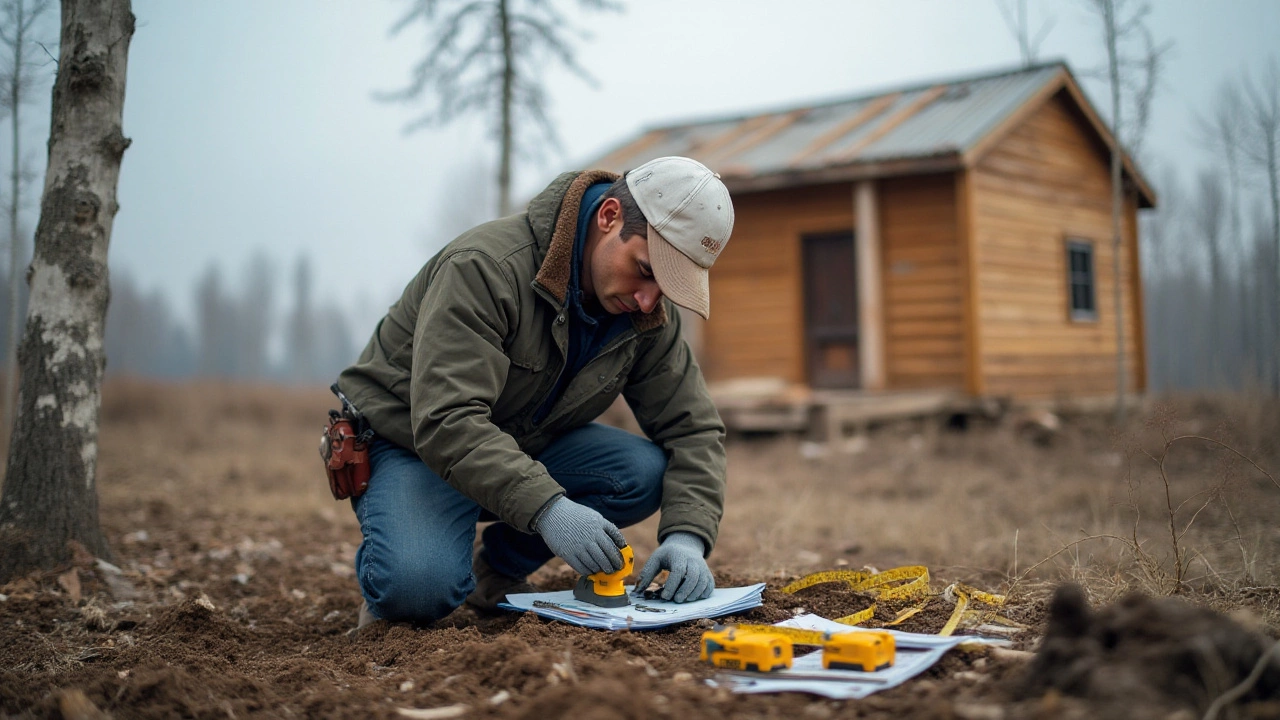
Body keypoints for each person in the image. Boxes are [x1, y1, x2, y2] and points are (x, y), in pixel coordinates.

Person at [335, 156, 734, 629]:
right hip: (414, 445)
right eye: (646, 270)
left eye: (667, 288)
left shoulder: (644, 315)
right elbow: (447, 418)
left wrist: (688, 535)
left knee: (640, 472)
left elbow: (694, 429)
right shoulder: (485, 268)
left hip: (520, 442)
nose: (649, 300)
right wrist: (549, 509)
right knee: (418, 588)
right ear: (608, 217)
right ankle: (396, 570)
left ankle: (495, 571)